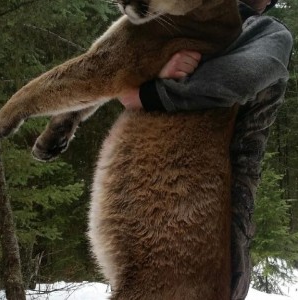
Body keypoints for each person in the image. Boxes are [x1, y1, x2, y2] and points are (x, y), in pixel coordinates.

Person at [119, 0, 293, 299]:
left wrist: (147, 93)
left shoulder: (266, 32)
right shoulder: (173, 21)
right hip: (148, 188)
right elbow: (117, 68)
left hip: (214, 204)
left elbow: (236, 80)